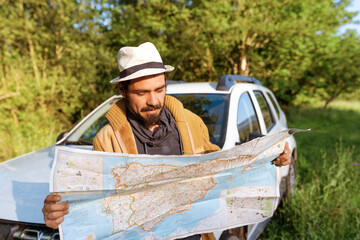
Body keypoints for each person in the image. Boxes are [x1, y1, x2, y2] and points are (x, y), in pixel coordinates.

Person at [42, 42, 291, 238]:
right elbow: (93, 202)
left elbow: (222, 169)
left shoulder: (192, 123)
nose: (154, 101)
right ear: (123, 91)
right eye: (142, 92)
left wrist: (269, 158)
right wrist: (60, 213)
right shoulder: (106, 139)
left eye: (160, 89)